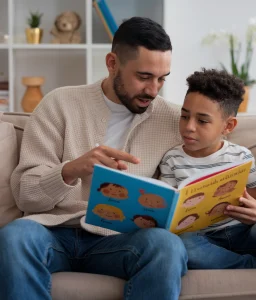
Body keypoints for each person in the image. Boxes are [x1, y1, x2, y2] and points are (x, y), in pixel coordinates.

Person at [0, 17, 188, 300]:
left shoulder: (174, 121)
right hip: (55, 232)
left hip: (121, 240)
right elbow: (26, 195)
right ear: (112, 63)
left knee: (167, 246)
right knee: (15, 237)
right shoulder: (59, 103)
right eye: (144, 76)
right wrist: (70, 170)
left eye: (162, 79)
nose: (153, 90)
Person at [159, 69, 256, 270]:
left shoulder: (240, 156)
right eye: (184, 116)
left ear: (228, 126)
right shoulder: (172, 159)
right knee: (185, 245)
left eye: (202, 121)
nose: (189, 127)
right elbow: (170, 212)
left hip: (244, 234)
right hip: (201, 239)